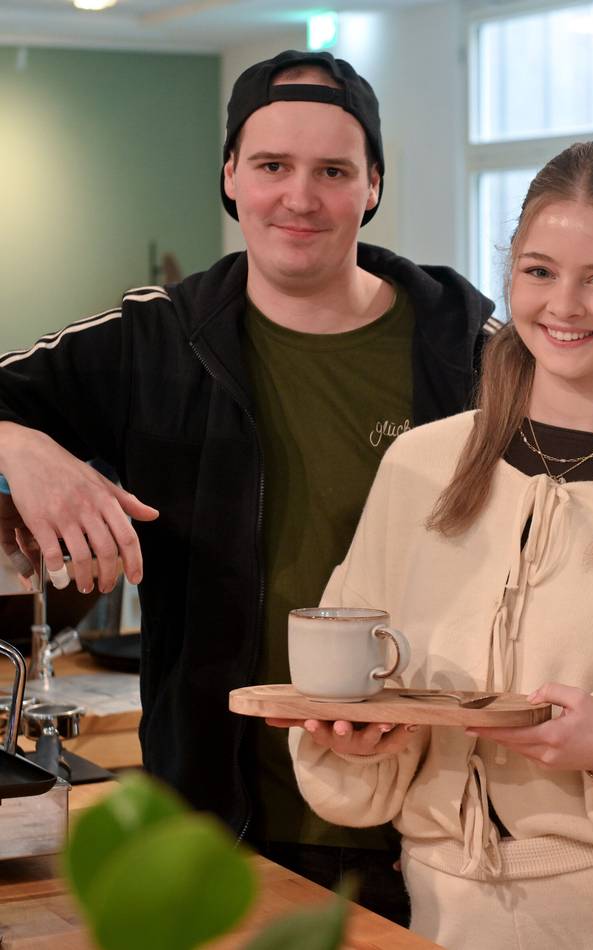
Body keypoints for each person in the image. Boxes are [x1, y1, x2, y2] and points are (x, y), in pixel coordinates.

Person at [0, 50, 495, 922]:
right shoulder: (154, 339)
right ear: (231, 175)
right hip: (219, 823)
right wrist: (22, 448)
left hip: (439, 824)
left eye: (333, 171)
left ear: (372, 185)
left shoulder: (466, 341)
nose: (298, 198)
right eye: (272, 166)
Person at [274, 141, 593, 949]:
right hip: (435, 918)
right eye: (539, 271)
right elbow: (345, 709)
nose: (565, 304)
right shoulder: (419, 466)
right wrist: (357, 738)